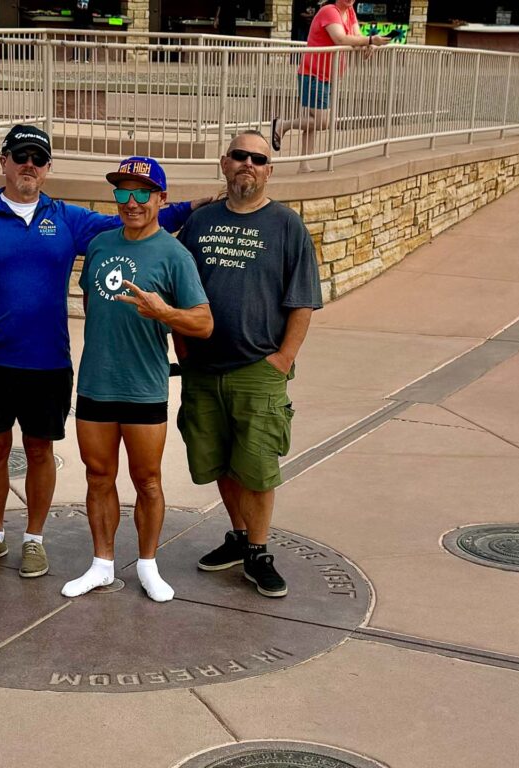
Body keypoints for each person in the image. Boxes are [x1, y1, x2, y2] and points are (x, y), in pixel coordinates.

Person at [0, 126, 208, 581]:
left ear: (48, 169)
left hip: (48, 360)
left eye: (38, 159)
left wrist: (197, 206)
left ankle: (33, 540)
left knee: (40, 450)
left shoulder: (67, 218)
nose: (29, 165)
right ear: (3, 162)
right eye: (20, 156)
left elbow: (136, 218)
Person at [176, 130, 322, 598]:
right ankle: (239, 538)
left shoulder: (286, 226)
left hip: (258, 368)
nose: (248, 164)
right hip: (203, 368)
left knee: (257, 466)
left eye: (258, 159)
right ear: (224, 163)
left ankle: (258, 551)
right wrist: (182, 347)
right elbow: (178, 286)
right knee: (217, 459)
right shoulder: (200, 223)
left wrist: (283, 360)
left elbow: (302, 301)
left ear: (268, 170)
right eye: (239, 156)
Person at [62, 157, 213, 602]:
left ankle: (147, 566)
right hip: (95, 384)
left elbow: (203, 323)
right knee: (97, 476)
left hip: (144, 386)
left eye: (142, 193)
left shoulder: (174, 254)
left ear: (161, 199)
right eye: (123, 192)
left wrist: (163, 313)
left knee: (147, 481)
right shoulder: (102, 246)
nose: (132, 201)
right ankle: (102, 564)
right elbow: (94, 303)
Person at [271, 0, 389, 173]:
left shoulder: (349, 12)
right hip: (313, 73)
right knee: (322, 121)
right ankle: (283, 125)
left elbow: (356, 35)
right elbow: (340, 38)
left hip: (328, 75)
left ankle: (304, 164)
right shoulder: (329, 11)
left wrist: (368, 43)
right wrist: (371, 39)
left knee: (312, 121)